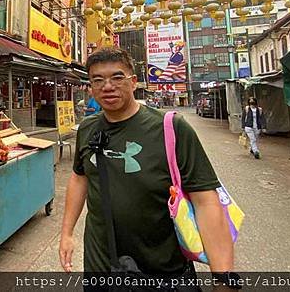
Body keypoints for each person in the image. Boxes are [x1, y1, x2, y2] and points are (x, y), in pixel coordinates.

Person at [59, 48, 235, 284]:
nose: (107, 86)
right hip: (101, 264)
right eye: (97, 80)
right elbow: (80, 177)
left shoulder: (172, 128)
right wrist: (67, 233)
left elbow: (206, 202)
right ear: (90, 87)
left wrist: (224, 278)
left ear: (133, 82)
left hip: (162, 268)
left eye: (117, 77)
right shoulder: (88, 129)